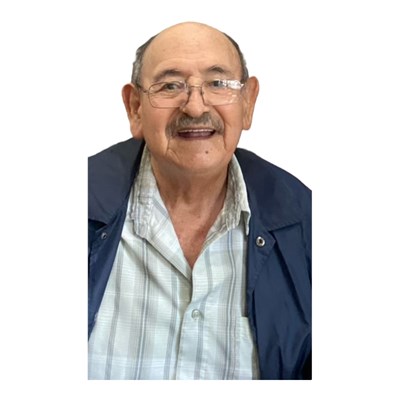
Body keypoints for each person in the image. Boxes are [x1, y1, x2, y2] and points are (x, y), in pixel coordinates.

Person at [88, 21, 311, 380]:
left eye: (218, 83)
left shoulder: (305, 225)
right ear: (136, 108)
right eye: (170, 85)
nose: (194, 107)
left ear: (248, 103)